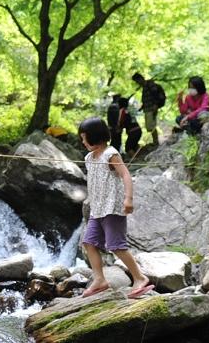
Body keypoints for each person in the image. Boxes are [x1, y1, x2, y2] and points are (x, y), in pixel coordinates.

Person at [77, 118, 154, 299]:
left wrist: (128, 199)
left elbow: (126, 175)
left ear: (95, 137)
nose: (82, 142)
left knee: (116, 246)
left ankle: (140, 277)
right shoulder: (89, 158)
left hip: (112, 207)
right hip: (98, 208)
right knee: (89, 243)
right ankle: (100, 279)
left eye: (84, 138)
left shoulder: (110, 154)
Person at [131, 72, 165, 145]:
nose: (137, 83)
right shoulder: (145, 87)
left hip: (152, 108)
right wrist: (142, 107)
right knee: (149, 126)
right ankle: (155, 141)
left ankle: (156, 142)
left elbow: (155, 94)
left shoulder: (150, 84)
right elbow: (148, 98)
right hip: (147, 108)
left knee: (150, 126)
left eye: (137, 81)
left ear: (140, 79)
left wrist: (156, 104)